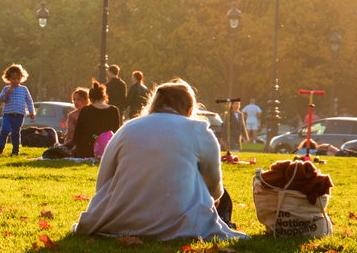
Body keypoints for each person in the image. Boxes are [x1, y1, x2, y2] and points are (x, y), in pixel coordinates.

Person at [73, 79, 248, 241]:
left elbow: (102, 182)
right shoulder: (198, 130)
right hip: (179, 223)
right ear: (189, 108)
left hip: (121, 220)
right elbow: (215, 188)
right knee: (223, 198)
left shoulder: (128, 128)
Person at [0, 63, 36, 156]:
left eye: (18, 78)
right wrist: (7, 94)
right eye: (13, 78)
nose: (16, 81)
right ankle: (0, 147)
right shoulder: (6, 88)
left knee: (16, 132)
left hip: (19, 115)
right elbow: (1, 99)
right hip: (8, 114)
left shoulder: (24, 89)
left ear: (21, 78)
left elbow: (29, 100)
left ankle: (15, 150)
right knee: (5, 129)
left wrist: (32, 111)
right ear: (8, 79)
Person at [73, 81, 121, 158]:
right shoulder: (114, 110)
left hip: (88, 149)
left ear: (90, 99)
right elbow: (116, 130)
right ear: (104, 96)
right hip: (108, 148)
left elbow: (79, 132)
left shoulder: (86, 110)